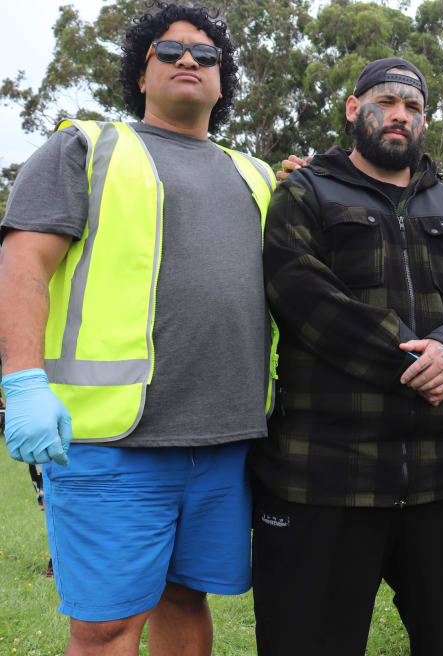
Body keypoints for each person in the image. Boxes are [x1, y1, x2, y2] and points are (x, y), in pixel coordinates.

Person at [0, 3, 276, 654]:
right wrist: (22, 380)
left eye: (206, 55)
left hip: (227, 441)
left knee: (186, 597)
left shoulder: (257, 176)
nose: (189, 60)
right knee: (106, 629)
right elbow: (23, 262)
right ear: (141, 73)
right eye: (169, 50)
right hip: (111, 442)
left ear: (221, 78)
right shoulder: (86, 147)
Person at [251, 57, 443, 655]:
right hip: (325, 475)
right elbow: (301, 293)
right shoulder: (305, 192)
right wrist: (416, 364)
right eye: (386, 101)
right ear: (354, 108)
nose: (399, 114)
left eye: (413, 106)